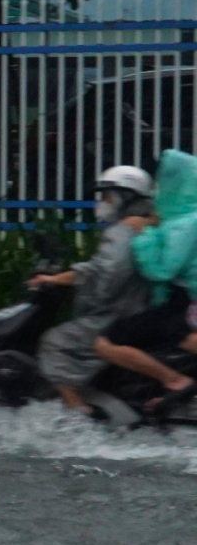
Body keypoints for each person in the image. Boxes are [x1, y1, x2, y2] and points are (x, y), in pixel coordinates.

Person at [33, 165, 154, 411]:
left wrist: (89, 292)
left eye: (107, 196)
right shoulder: (142, 226)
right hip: (137, 307)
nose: (103, 202)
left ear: (124, 197)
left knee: (54, 341)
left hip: (116, 312)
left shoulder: (123, 232)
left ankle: (78, 412)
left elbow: (109, 274)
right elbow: (97, 267)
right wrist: (57, 279)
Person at [95, 150, 197, 415]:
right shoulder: (184, 218)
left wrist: (143, 235)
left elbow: (161, 270)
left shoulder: (185, 223)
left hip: (183, 302)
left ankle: (175, 380)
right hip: (184, 299)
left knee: (106, 341)